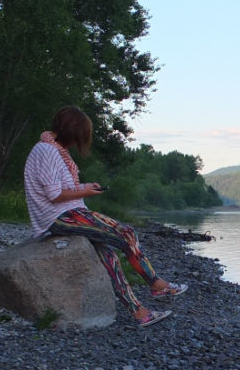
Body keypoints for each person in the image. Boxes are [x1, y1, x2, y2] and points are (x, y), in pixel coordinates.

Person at [23, 105, 187, 327]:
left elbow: (58, 187)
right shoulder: (48, 152)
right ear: (73, 133)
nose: (78, 142)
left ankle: (140, 313)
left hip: (66, 212)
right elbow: (54, 195)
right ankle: (157, 284)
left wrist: (85, 186)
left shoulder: (53, 150)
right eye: (80, 136)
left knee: (109, 256)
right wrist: (86, 192)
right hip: (61, 216)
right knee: (126, 233)